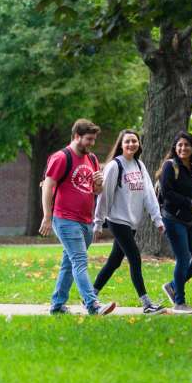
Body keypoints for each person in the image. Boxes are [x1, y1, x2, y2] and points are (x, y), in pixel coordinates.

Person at [39, 118, 116, 316]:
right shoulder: (61, 157)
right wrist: (47, 216)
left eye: (93, 140)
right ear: (76, 136)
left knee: (69, 262)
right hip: (65, 219)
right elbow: (48, 186)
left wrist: (99, 183)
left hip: (85, 220)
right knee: (80, 261)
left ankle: (57, 305)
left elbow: (96, 191)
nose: (92, 143)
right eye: (88, 139)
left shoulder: (92, 159)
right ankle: (92, 305)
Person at [93, 129, 166, 315]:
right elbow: (104, 196)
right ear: (121, 144)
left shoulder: (139, 165)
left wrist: (157, 218)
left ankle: (90, 296)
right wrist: (98, 222)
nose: (131, 144)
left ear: (139, 144)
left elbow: (149, 194)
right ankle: (146, 303)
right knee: (135, 257)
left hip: (132, 222)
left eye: (134, 141)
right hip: (117, 220)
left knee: (114, 262)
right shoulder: (114, 166)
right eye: (127, 141)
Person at [157, 131, 192, 314]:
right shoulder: (170, 166)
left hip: (191, 220)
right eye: (180, 145)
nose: (183, 148)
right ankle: (179, 302)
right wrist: (190, 203)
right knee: (183, 259)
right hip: (173, 219)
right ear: (175, 147)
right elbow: (167, 193)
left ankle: (172, 286)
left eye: (187, 145)